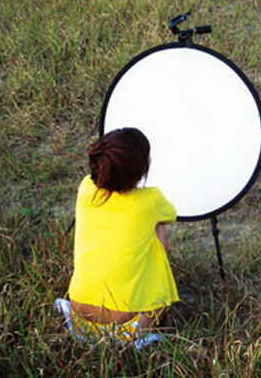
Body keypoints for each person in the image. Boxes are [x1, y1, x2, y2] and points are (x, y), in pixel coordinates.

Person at [56, 127, 179, 347]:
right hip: (126, 323)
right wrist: (156, 223)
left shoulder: (85, 188)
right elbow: (165, 241)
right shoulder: (151, 199)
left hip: (79, 315)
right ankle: (139, 332)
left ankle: (91, 332)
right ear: (141, 167)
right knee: (155, 242)